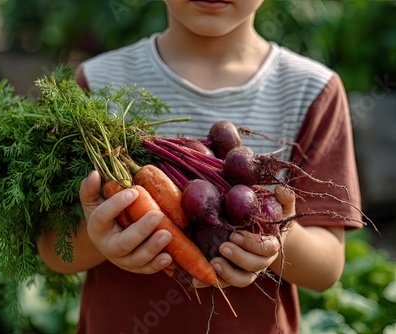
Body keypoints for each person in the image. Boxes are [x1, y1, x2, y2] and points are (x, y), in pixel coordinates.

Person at [37, 1, 364, 333]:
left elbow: (326, 270)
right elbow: (53, 250)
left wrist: (275, 233)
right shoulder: (96, 84)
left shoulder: (312, 91)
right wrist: (101, 237)